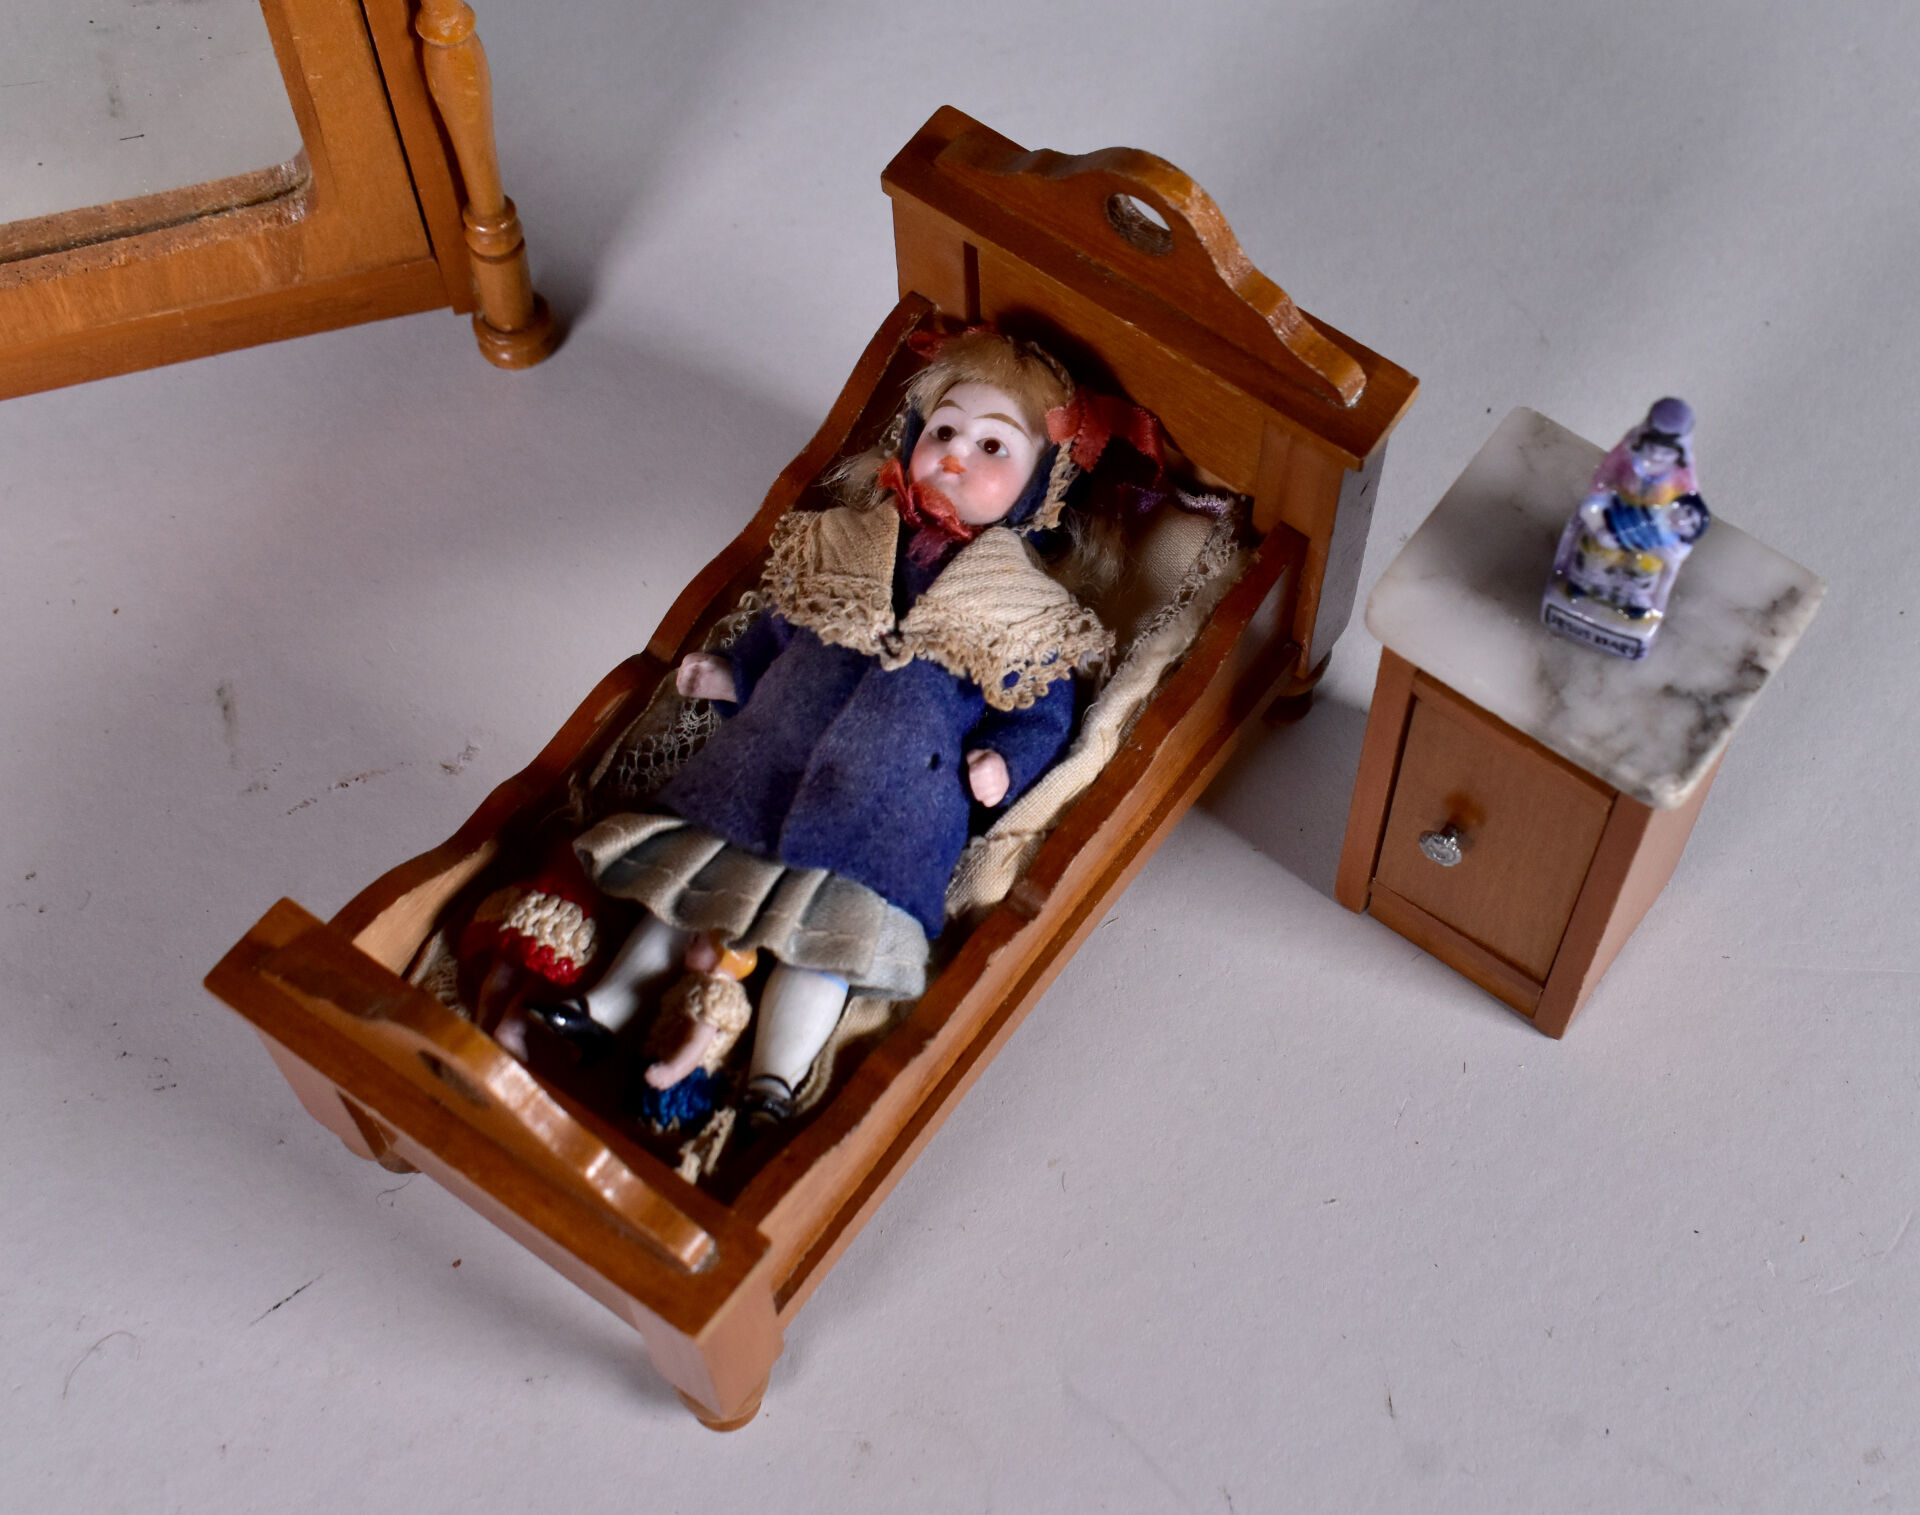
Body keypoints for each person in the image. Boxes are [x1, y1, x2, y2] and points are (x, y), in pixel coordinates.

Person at [551, 331, 1121, 1123]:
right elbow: (781, 631)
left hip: (888, 815)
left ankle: (773, 1080)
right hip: (761, 770)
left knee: (820, 950)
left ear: (1038, 488)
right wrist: (734, 677)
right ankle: (603, 1008)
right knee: (689, 900)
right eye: (945, 429)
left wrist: (1002, 761)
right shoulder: (845, 543)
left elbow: (1039, 707)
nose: (956, 455)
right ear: (912, 438)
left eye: (993, 445)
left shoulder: (1023, 608)